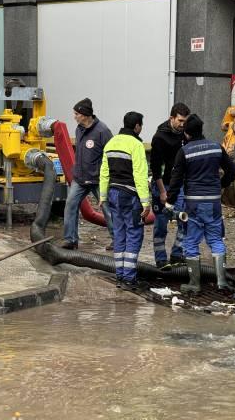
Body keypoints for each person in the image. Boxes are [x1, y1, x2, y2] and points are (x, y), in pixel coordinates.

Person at [166, 115, 235, 294]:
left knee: (191, 241)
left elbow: (176, 179)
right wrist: (221, 185)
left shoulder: (185, 151)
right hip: (213, 203)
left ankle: (194, 284)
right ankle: (222, 282)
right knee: (216, 239)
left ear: (187, 133)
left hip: (193, 204)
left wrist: (170, 202)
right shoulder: (216, 147)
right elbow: (232, 170)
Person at [100, 111, 150, 290]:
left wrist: (102, 196)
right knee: (134, 233)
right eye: (141, 125)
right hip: (130, 196)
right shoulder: (136, 145)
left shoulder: (111, 143)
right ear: (136, 126)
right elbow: (140, 174)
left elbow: (104, 172)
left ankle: (120, 274)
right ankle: (129, 278)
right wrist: (146, 202)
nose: (141, 128)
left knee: (119, 233)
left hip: (113, 194)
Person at [62, 98, 113, 250]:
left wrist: (108, 177)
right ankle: (70, 239)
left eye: (76, 113)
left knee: (107, 209)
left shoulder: (102, 131)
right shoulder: (79, 129)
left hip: (98, 180)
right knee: (70, 205)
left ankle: (117, 239)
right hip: (80, 178)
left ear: (85, 114)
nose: (74, 116)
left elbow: (111, 154)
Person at [150, 102, 190, 269]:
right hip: (163, 185)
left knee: (185, 220)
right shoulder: (160, 137)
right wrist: (161, 191)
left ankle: (177, 254)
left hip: (179, 185)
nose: (182, 125)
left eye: (185, 121)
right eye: (180, 121)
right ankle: (160, 259)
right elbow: (156, 168)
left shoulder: (184, 135)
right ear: (171, 118)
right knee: (161, 224)